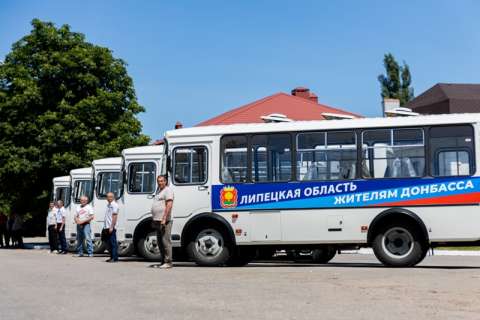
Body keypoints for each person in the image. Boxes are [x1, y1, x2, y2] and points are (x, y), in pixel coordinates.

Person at [151, 175, 174, 269]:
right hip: (157, 220)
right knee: (160, 242)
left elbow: (169, 205)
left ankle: (168, 262)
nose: (160, 183)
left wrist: (164, 218)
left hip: (165, 220)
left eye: (162, 181)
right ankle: (163, 261)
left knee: (165, 241)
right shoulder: (159, 191)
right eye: (158, 181)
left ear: (165, 182)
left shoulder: (168, 190)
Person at [103, 192, 119, 263]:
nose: (108, 198)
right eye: (107, 197)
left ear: (113, 197)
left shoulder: (114, 205)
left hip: (111, 227)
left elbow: (114, 216)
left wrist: (112, 226)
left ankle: (114, 258)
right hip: (107, 226)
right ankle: (111, 257)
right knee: (109, 243)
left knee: (113, 243)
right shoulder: (108, 205)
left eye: (110, 197)